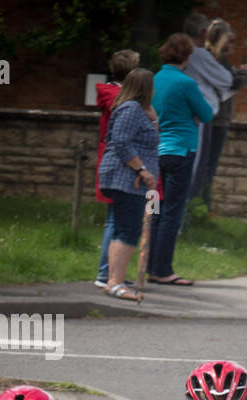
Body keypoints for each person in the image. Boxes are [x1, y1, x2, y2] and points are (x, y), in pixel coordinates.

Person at [148, 33, 213, 287]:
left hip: (155, 151)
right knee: (173, 212)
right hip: (180, 151)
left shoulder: (154, 79)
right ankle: (162, 270)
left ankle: (149, 265)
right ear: (187, 56)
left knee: (155, 210)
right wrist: (192, 116)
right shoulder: (186, 84)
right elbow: (206, 114)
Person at [97, 67, 159, 302]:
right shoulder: (131, 109)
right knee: (129, 230)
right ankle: (115, 282)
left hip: (132, 180)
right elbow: (121, 141)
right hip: (127, 179)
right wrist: (141, 169)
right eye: (152, 87)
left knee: (123, 229)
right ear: (146, 88)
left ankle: (113, 281)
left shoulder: (139, 110)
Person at [190, 19, 247, 205]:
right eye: (229, 40)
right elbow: (229, 83)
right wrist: (246, 75)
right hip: (210, 118)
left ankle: (203, 204)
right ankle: (199, 204)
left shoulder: (220, 60)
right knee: (203, 164)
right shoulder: (207, 58)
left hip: (218, 118)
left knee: (208, 164)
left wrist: (241, 74)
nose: (231, 45)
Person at [94, 49, 139, 290]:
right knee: (115, 219)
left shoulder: (114, 95)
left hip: (113, 159)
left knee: (115, 217)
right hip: (119, 162)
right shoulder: (121, 99)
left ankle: (111, 271)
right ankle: (106, 272)